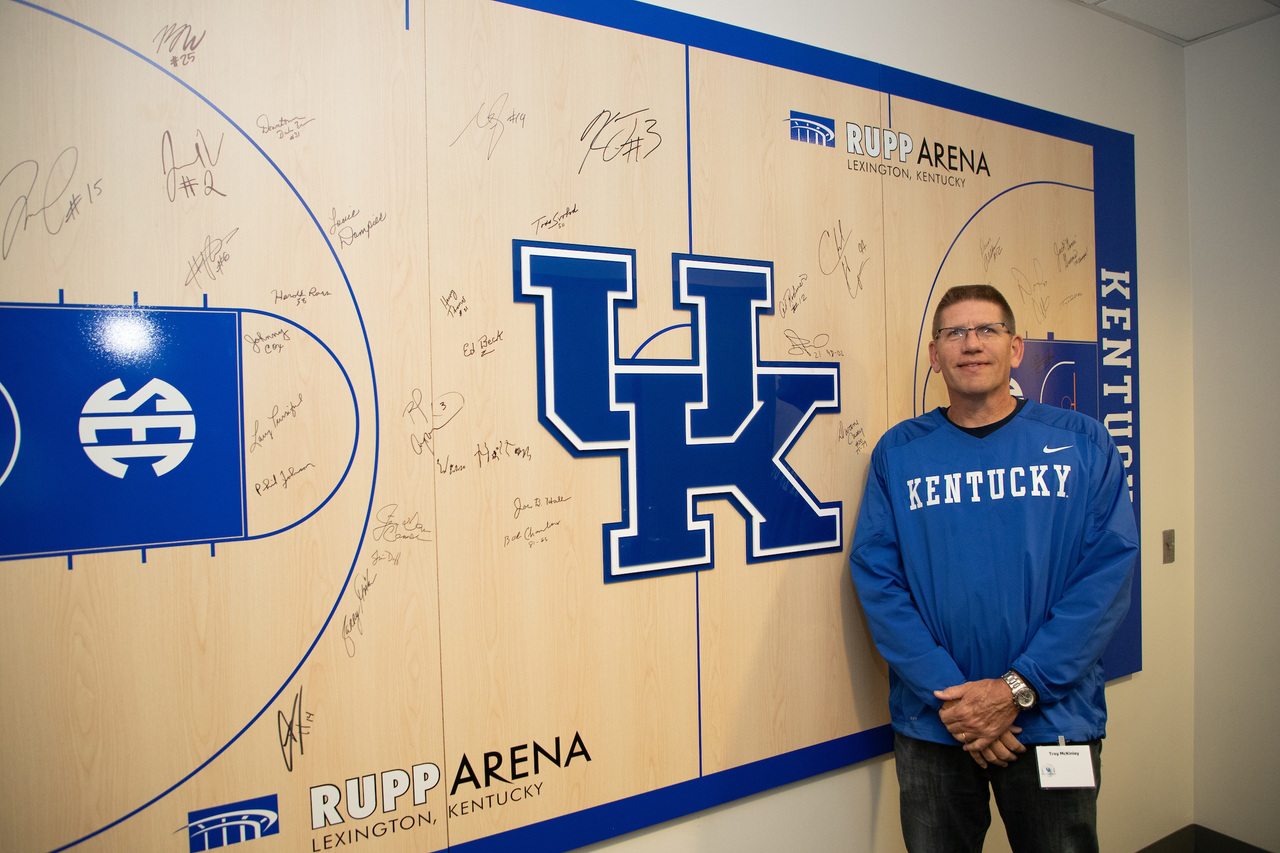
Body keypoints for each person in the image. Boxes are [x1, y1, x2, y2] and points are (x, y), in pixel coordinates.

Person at [848, 284, 1138, 853]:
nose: (971, 345)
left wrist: (1016, 689)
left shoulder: (1082, 442)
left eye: (987, 331)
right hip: (938, 724)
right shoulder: (898, 453)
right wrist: (959, 701)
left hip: (1052, 719)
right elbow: (879, 583)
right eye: (955, 333)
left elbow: (1104, 581)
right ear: (935, 355)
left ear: (1016, 347)